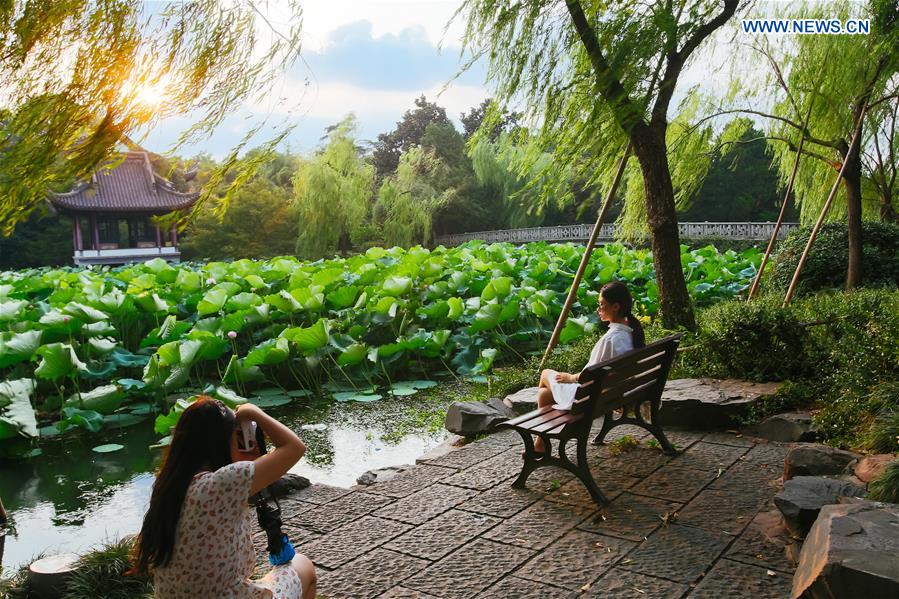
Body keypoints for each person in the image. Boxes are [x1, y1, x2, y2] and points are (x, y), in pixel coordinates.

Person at [130, 397, 317, 599]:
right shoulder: (223, 483)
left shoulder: (168, 485)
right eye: (236, 434)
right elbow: (295, 447)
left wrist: (242, 457)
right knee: (303, 566)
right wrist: (253, 412)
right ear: (223, 441)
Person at [533, 281, 646, 454]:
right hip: (608, 394)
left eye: (602, 305)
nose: (598, 309)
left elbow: (590, 375)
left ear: (615, 306)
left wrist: (570, 377)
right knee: (544, 394)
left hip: (588, 398)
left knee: (545, 373)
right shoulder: (632, 331)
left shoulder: (611, 339)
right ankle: (540, 444)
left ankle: (542, 443)